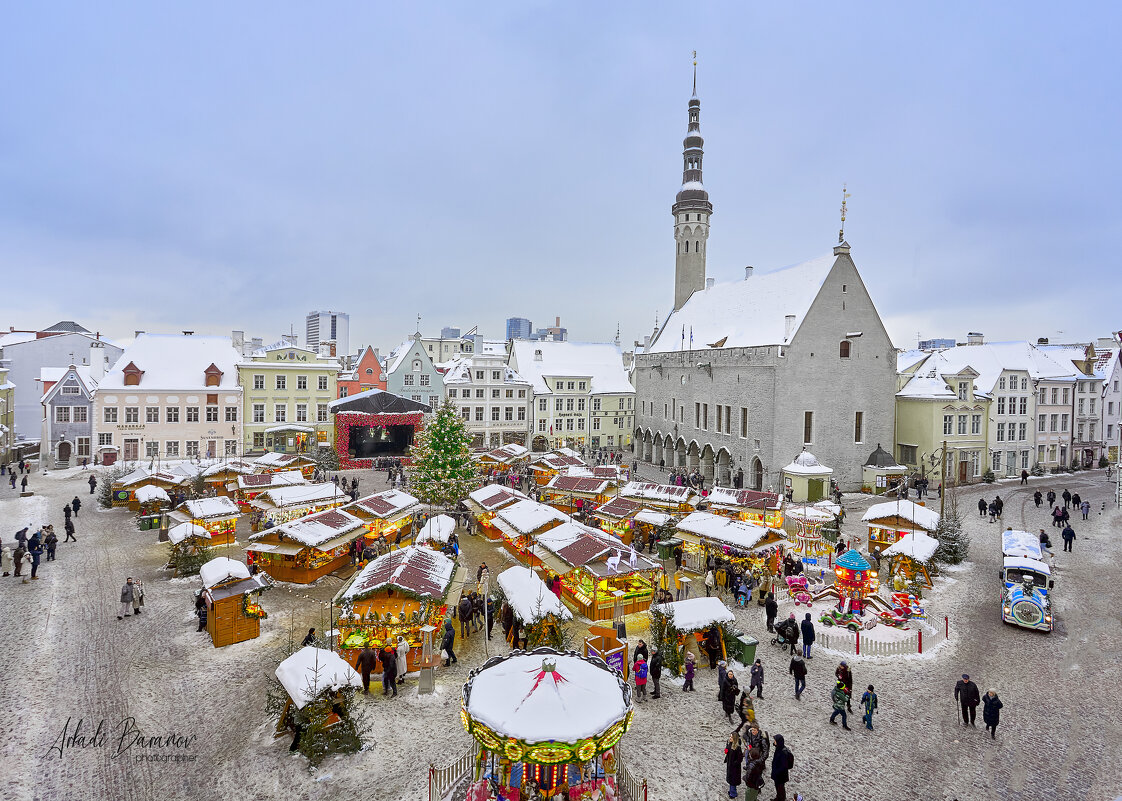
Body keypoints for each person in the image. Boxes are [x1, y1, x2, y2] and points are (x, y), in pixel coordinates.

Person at [770, 734, 793, 801]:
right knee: (779, 788)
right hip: (778, 774)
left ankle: (781, 799)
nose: (774, 742)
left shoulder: (783, 753)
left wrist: (776, 772)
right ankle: (779, 798)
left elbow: (783, 766)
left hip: (780, 776)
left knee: (780, 788)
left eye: (775, 741)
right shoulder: (779, 748)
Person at [724, 731, 744, 799]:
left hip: (734, 768)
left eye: (732, 737)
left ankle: (733, 794)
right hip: (730, 766)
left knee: (733, 781)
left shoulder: (738, 748)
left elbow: (740, 759)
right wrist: (726, 750)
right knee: (731, 780)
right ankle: (731, 791)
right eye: (730, 736)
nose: (730, 738)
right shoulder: (730, 743)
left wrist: (734, 764)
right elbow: (728, 750)